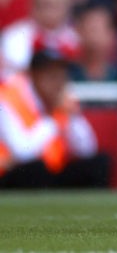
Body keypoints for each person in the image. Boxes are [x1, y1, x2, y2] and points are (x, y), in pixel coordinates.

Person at [0, 48, 110, 189]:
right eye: (51, 75)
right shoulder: (8, 99)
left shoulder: (62, 101)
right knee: (35, 169)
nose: (58, 82)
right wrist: (53, 120)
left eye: (61, 75)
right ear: (33, 76)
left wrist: (73, 117)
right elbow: (22, 151)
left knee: (99, 163)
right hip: (13, 174)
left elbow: (87, 150)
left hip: (51, 172)